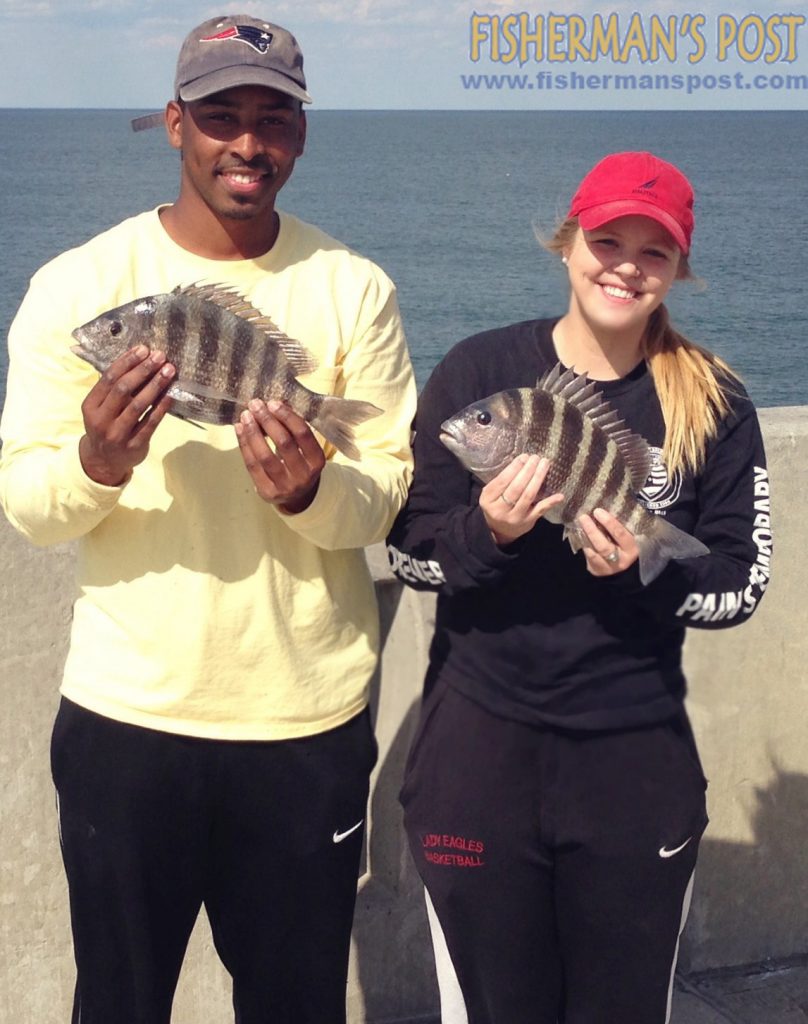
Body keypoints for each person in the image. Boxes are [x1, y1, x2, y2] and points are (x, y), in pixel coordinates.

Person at [0, 14, 415, 1024]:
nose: (248, 142)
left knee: (295, 1002)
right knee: (122, 1001)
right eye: (222, 115)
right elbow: (28, 502)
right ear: (176, 125)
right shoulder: (77, 288)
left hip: (304, 721)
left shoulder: (354, 290)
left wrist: (312, 493)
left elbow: (389, 484)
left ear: (300, 136)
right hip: (127, 720)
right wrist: (97, 463)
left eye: (272, 118)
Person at [386, 151, 771, 1023]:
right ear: (567, 245)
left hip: (633, 774)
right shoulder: (481, 373)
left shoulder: (714, 402)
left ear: (677, 269)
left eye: (654, 251)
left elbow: (739, 584)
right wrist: (492, 533)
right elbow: (409, 549)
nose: (625, 265)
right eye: (606, 240)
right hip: (476, 773)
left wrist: (642, 568)